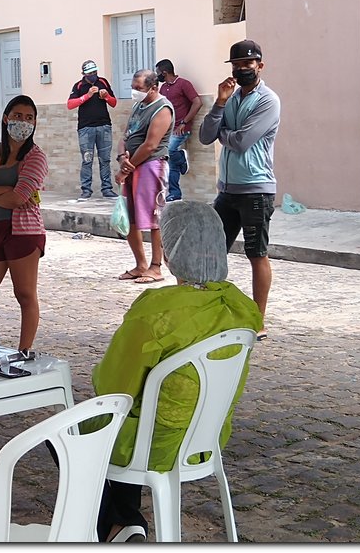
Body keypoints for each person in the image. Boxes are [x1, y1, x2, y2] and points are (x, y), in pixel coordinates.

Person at [83, 200, 262, 542]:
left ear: (170, 251)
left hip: (154, 443)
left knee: (69, 430)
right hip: (206, 438)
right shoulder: (242, 308)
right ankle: (125, 523)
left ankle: (115, 524)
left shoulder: (156, 310)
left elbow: (112, 387)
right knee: (130, 415)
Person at [199, 39, 280, 337]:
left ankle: (258, 320)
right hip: (227, 189)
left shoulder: (268, 101)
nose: (242, 69)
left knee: (256, 253)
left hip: (256, 189)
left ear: (260, 65)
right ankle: (209, 312)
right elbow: (206, 135)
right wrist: (219, 103)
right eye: (237, 65)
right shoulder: (229, 98)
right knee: (211, 251)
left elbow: (243, 141)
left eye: (248, 64)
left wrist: (225, 133)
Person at [0, 95, 48, 352]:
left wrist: (1, 193)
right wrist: (8, 190)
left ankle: (24, 351)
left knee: (24, 294)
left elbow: (18, 198)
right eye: (17, 116)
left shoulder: (36, 157)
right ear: (6, 118)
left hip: (25, 232)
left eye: (29, 118)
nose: (23, 122)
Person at [114, 69, 174, 284]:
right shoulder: (139, 106)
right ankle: (140, 264)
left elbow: (150, 145)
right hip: (132, 166)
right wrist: (122, 156)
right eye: (133, 88)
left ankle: (156, 266)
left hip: (151, 167)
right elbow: (126, 135)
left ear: (153, 87)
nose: (135, 92)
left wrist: (125, 168)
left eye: (139, 89)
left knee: (154, 218)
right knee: (131, 217)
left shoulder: (162, 108)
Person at [67, 59, 118, 201]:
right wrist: (87, 96)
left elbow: (114, 103)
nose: (93, 75)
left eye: (95, 72)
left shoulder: (103, 82)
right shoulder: (79, 86)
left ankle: (107, 189)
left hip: (104, 126)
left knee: (105, 159)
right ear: (84, 74)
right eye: (90, 73)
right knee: (87, 159)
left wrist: (106, 96)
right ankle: (86, 190)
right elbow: (70, 104)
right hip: (86, 128)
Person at [155, 59, 202, 202]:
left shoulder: (183, 84)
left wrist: (184, 122)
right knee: (170, 163)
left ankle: (181, 157)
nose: (158, 76)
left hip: (181, 128)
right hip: (168, 129)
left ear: (164, 72)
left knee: (169, 152)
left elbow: (198, 102)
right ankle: (175, 193)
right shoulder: (163, 89)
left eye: (158, 73)